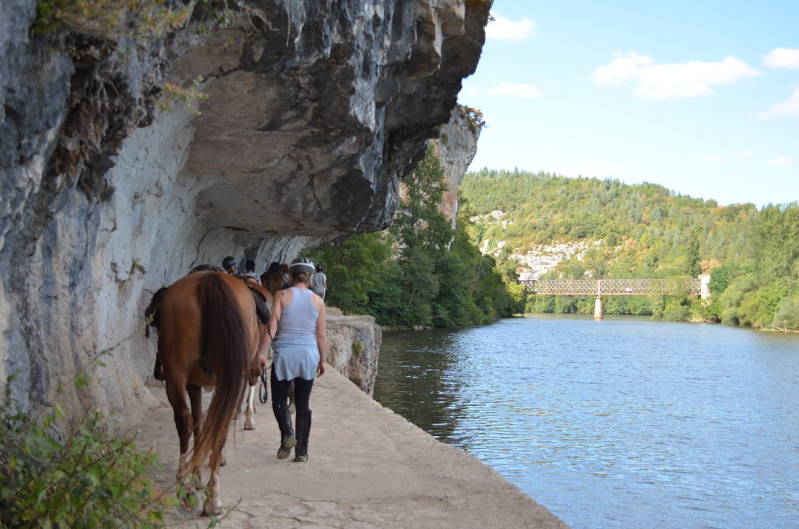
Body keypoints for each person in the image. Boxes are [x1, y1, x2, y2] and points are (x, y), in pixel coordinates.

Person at [268, 257, 327, 462]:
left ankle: (288, 434)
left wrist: (261, 352)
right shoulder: (318, 301)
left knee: (278, 400)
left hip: (284, 355)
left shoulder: (281, 295)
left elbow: (272, 326)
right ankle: (301, 452)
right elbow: (321, 336)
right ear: (309, 277)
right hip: (308, 356)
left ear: (290, 276)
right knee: (303, 404)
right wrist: (323, 361)